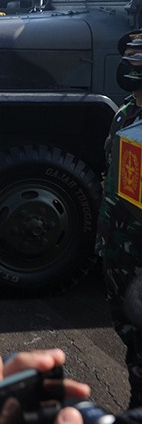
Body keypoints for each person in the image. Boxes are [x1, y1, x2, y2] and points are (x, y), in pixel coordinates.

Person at [97, 30, 142, 409]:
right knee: (131, 338)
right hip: (118, 250)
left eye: (138, 61)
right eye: (129, 59)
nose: (131, 66)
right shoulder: (126, 113)